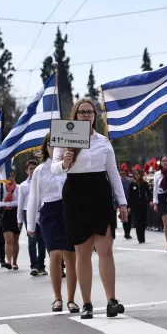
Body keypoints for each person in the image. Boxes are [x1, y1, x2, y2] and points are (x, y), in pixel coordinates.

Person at [51, 98, 127, 320]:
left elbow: (113, 173)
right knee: (82, 254)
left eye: (90, 112)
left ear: (95, 115)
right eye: (82, 112)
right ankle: (86, 303)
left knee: (106, 250)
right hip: (75, 195)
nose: (86, 116)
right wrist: (64, 163)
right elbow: (54, 168)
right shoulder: (65, 138)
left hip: (100, 195)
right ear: (75, 115)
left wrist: (122, 202)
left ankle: (112, 300)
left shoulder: (103, 141)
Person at [28, 133, 79, 313]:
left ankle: (71, 300)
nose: (56, 147)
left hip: (69, 211)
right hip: (49, 213)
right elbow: (34, 198)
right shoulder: (40, 170)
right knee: (55, 255)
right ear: (46, 147)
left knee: (70, 257)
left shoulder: (73, 166)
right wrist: (30, 226)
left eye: (61, 143)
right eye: (52, 143)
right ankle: (57, 298)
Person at [18, 160, 46, 276]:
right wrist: (19, 220)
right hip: (27, 213)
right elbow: (20, 204)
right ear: (26, 171)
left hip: (41, 212)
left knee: (42, 240)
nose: (33, 171)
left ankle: (41, 266)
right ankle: (33, 265)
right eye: (31, 169)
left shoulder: (42, 182)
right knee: (32, 239)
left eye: (35, 168)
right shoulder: (23, 186)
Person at [0, 170, 21, 270]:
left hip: (16, 214)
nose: (10, 178)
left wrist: (6, 204)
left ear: (14, 176)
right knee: (8, 239)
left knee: (15, 239)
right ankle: (8, 261)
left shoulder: (18, 187)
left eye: (11, 176)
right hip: (5, 215)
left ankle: (15, 262)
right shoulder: (1, 187)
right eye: (8, 177)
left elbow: (19, 202)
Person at [128, 166, 151, 244]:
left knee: (143, 221)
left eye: (138, 174)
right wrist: (129, 206)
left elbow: (148, 193)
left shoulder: (144, 184)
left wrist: (149, 201)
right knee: (137, 222)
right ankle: (139, 238)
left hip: (143, 205)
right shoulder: (132, 185)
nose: (137, 175)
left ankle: (143, 236)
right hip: (135, 206)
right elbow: (130, 196)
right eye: (135, 174)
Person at [119, 169, 133, 240]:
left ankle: (128, 232)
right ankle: (126, 233)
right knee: (124, 217)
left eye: (123, 173)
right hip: (121, 203)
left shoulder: (129, 182)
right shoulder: (118, 183)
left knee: (129, 218)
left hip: (129, 201)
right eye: (121, 174)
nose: (122, 175)